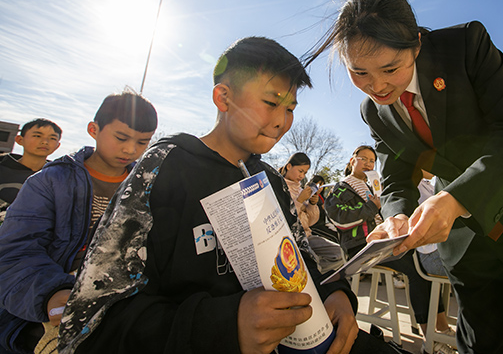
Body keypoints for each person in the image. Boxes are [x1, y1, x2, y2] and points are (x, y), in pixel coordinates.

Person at [58, 37, 400, 354]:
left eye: (291, 108)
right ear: (223, 97)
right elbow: (90, 322)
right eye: (271, 103)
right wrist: (223, 325)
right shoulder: (162, 169)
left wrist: (334, 294)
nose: (282, 121)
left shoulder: (270, 181)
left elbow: (300, 260)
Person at [306, 0, 503, 353]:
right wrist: (396, 217)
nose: (377, 86)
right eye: (359, 72)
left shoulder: (465, 47)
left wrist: (457, 197)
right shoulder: (373, 111)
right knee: (479, 335)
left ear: (415, 44)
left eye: (390, 69)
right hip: (462, 233)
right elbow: (397, 173)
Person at [0, 92, 157, 354]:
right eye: (121, 138)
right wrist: (53, 294)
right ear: (93, 130)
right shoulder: (49, 182)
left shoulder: (149, 189)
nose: (131, 149)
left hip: (116, 317)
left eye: (143, 142)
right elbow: (16, 251)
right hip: (41, 315)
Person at [326, 145, 455, 353]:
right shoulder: (340, 188)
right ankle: (430, 337)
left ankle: (437, 327)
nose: (368, 164)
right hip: (360, 246)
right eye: (363, 159)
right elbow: (338, 218)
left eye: (372, 161)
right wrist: (373, 207)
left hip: (381, 242)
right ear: (352, 160)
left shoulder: (371, 187)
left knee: (420, 256)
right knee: (417, 267)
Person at [0, 118, 62, 224]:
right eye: (37, 136)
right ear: (20, 140)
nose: (45, 142)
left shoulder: (59, 177)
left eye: (52, 138)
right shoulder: (3, 168)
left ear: (57, 145)